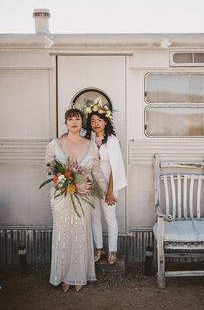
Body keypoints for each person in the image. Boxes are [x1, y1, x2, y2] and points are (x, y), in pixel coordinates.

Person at [45, 108, 107, 292]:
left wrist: (105, 190)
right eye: (70, 119)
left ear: (82, 123)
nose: (74, 122)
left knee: (80, 232)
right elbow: (49, 170)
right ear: (66, 123)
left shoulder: (90, 144)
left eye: (77, 119)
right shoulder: (55, 144)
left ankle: (79, 275)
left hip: (84, 196)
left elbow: (95, 170)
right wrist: (66, 182)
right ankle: (63, 276)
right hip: (61, 196)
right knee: (63, 233)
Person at [85, 99, 127, 265]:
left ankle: (112, 251)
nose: (96, 124)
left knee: (110, 217)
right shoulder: (87, 138)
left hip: (110, 182)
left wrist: (110, 191)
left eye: (100, 120)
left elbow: (115, 168)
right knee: (94, 217)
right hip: (92, 182)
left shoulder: (112, 141)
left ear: (106, 121)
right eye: (93, 121)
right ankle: (99, 248)